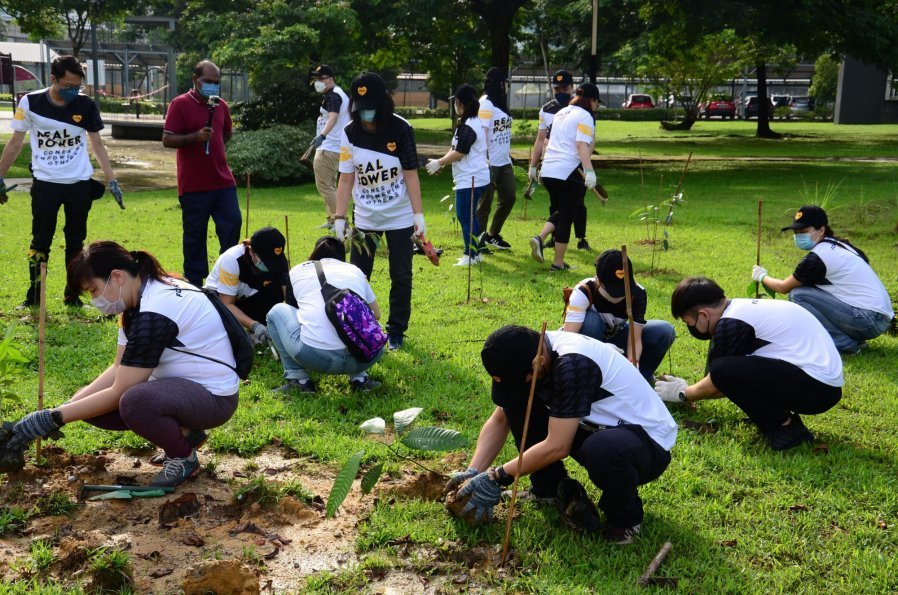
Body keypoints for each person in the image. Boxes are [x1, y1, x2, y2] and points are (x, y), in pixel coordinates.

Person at [0, 241, 240, 487]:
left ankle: (183, 458)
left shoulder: (155, 312)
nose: (95, 300)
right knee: (84, 403)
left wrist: (54, 417)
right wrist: (64, 408)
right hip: (182, 389)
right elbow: (117, 369)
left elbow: (119, 391)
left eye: (93, 290)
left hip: (214, 398)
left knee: (134, 401)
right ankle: (186, 435)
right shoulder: (139, 301)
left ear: (116, 277)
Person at [445, 325, 677, 544]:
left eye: (521, 378)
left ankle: (625, 519)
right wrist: (472, 473)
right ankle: (547, 488)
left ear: (539, 362)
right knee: (517, 401)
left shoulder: (573, 364)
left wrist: (497, 476)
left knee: (601, 449)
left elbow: (558, 445)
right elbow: (501, 418)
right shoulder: (531, 350)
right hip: (594, 424)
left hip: (646, 442)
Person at [655, 277, 843, 451]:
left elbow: (718, 384)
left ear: (703, 314)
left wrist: (683, 393)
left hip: (816, 389)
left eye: (690, 323)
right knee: (727, 370)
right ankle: (780, 419)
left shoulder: (731, 323)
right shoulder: (740, 310)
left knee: (723, 371)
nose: (692, 329)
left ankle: (786, 428)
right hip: (822, 384)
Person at [0, 55, 123, 309]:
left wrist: (112, 180)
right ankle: (34, 295)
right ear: (53, 79)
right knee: (40, 241)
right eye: (67, 86)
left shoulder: (85, 105)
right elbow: (14, 143)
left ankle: (72, 294)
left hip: (78, 183)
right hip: (46, 183)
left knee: (76, 242)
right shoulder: (30, 102)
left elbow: (97, 143)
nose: (72, 91)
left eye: (77, 86)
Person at [334, 72, 426, 351]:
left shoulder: (401, 129)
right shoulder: (349, 133)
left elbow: (410, 174)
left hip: (399, 216)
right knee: (357, 275)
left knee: (401, 274)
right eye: (361, 109)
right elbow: (347, 178)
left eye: (371, 107)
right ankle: (359, 327)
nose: (367, 115)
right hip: (365, 218)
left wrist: (418, 215)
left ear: (384, 102)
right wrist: (339, 217)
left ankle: (396, 331)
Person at [751, 205, 894, 355]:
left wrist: (762, 276)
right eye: (796, 232)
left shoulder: (819, 257)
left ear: (821, 230)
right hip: (878, 318)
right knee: (809, 292)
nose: (798, 236)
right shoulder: (840, 244)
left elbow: (783, 287)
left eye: (804, 232)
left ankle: (844, 344)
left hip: (868, 320)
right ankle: (855, 340)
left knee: (798, 295)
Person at [267, 237, 384, 393]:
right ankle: (360, 378)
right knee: (367, 322)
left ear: (314, 253)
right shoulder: (355, 270)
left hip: (316, 358)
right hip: (366, 358)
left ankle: (299, 379)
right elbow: (376, 314)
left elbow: (293, 309)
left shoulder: (298, 270)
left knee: (276, 311)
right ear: (342, 258)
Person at [162, 60, 241, 288]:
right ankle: (195, 283)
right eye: (208, 81)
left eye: (217, 83)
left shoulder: (221, 105)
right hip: (194, 185)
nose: (213, 86)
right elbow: (167, 139)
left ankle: (226, 275)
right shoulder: (180, 104)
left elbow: (227, 133)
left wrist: (215, 147)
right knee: (195, 236)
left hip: (223, 181)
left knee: (232, 223)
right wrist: (195, 137)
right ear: (196, 79)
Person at [563, 249, 675, 383]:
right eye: (613, 290)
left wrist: (634, 363)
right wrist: (600, 351)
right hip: (588, 343)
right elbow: (569, 337)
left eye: (623, 289)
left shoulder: (637, 294)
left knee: (664, 330)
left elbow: (635, 339)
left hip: (616, 338)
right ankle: (590, 377)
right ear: (598, 280)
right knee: (592, 322)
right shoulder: (584, 291)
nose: (619, 295)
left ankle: (639, 379)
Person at [529, 83, 601, 271]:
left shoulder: (562, 112)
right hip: (568, 171)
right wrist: (589, 171)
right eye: (597, 103)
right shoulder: (585, 116)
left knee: (564, 210)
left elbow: (546, 140)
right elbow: (581, 145)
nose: (596, 107)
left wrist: (534, 166)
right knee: (567, 217)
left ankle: (540, 238)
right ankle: (558, 263)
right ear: (591, 100)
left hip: (549, 170)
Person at [426, 84, 490, 266]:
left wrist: (440, 162)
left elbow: (461, 151)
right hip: (471, 176)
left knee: (465, 216)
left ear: (459, 103)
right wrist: (442, 162)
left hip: (471, 178)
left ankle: (470, 255)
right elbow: (455, 148)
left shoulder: (470, 124)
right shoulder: (467, 123)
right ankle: (476, 254)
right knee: (470, 216)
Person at [527, 70, 589, 251]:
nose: (560, 91)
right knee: (557, 204)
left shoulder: (579, 108)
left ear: (572, 88)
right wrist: (533, 164)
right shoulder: (546, 110)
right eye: (556, 89)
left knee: (578, 203)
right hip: (553, 163)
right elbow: (540, 138)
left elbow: (587, 141)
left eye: (564, 88)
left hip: (574, 163)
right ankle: (555, 238)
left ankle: (581, 237)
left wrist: (587, 166)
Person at [204, 227, 293, 346]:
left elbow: (288, 294)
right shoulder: (231, 260)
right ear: (251, 251)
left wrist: (292, 324)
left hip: (249, 297)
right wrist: (254, 325)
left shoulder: (278, 260)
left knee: (276, 289)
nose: (271, 266)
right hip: (222, 302)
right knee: (218, 323)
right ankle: (245, 331)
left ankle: (260, 326)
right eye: (266, 261)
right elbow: (227, 303)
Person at [476, 67, 515, 251]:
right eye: (504, 83)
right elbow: (482, 132)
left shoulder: (500, 104)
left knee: (509, 198)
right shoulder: (486, 103)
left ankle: (492, 235)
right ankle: (478, 242)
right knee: (484, 205)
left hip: (504, 161)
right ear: (499, 84)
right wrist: (485, 160)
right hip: (489, 162)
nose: (506, 86)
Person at [310, 65, 351, 229]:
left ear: (331, 79)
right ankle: (332, 220)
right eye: (316, 78)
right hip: (335, 146)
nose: (318, 82)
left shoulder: (333, 96)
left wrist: (322, 136)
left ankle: (341, 221)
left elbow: (332, 118)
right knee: (329, 185)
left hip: (329, 147)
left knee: (324, 186)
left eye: (321, 78)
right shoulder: (336, 94)